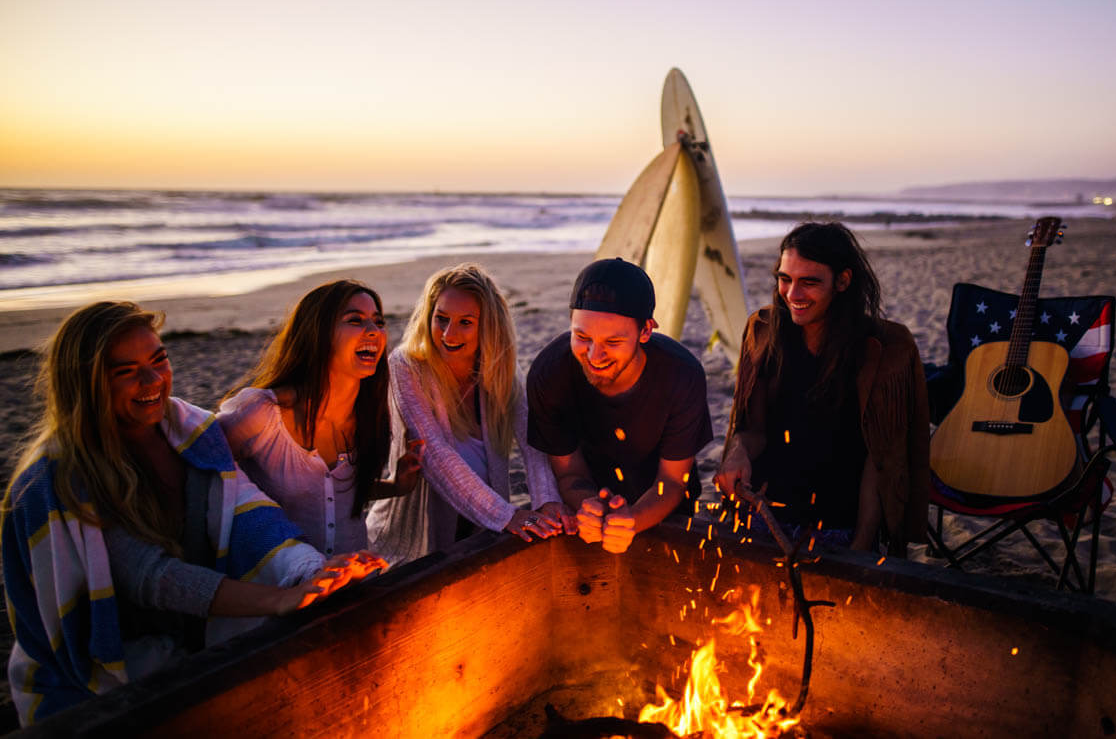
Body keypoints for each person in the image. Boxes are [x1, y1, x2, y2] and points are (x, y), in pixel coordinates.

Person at [1, 302, 373, 726]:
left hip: (188, 638)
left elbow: (248, 512)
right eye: (126, 371)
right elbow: (153, 576)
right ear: (86, 384)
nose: (152, 380)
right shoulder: (54, 483)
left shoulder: (190, 431)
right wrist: (279, 598)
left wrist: (311, 570)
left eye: (159, 359)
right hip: (96, 677)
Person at [715, 222, 930, 555]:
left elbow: (881, 459)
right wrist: (737, 451)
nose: (793, 295)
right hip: (764, 516)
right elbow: (752, 430)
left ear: (843, 281)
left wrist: (860, 546)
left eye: (809, 282)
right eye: (784, 279)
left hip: (840, 527)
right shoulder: (763, 331)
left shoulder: (886, 347)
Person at [366, 264, 572, 564]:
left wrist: (547, 501)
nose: (449, 333)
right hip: (408, 551)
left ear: (487, 326)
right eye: (442, 319)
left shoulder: (499, 370)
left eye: (466, 322)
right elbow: (434, 453)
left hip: (480, 536)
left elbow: (533, 440)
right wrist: (507, 515)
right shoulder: (406, 367)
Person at [219, 280, 420, 556]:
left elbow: (333, 497)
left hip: (358, 585)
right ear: (318, 334)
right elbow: (200, 472)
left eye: (378, 321)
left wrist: (396, 486)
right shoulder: (261, 412)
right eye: (355, 320)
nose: (374, 332)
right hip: (283, 590)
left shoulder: (368, 414)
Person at [527, 258, 713, 554]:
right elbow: (568, 473)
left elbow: (673, 481)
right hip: (586, 513)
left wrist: (632, 521)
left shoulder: (681, 374)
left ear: (646, 331)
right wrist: (590, 507)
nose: (594, 355)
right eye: (582, 336)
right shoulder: (550, 373)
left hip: (664, 508)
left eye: (613, 341)